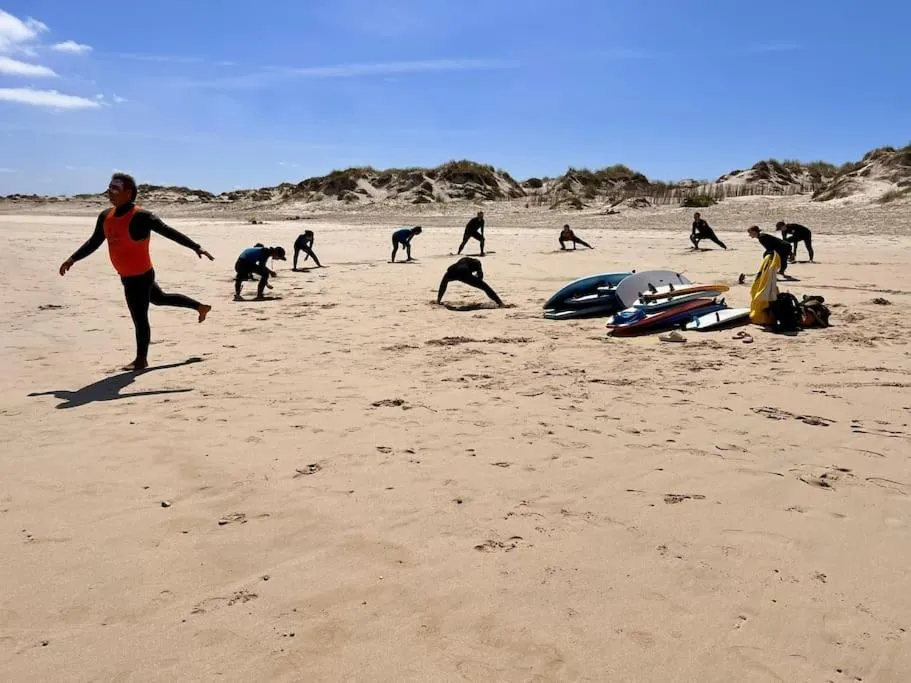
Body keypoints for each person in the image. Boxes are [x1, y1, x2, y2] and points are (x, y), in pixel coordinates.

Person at [58, 172, 213, 372]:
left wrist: (195, 246)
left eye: (116, 188)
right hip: (127, 275)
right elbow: (94, 241)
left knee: (139, 317)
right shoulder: (105, 216)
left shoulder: (141, 216)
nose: (110, 192)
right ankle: (200, 307)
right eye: (109, 187)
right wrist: (73, 258)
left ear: (129, 193)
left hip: (139, 276)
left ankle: (141, 360)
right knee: (159, 298)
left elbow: (168, 231)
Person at [437, 257, 504, 307]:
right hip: (464, 272)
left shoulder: (464, 260)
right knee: (485, 287)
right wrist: (476, 279)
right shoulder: (477, 263)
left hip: (452, 270)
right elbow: (480, 278)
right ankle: (500, 303)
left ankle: (438, 300)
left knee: (444, 282)